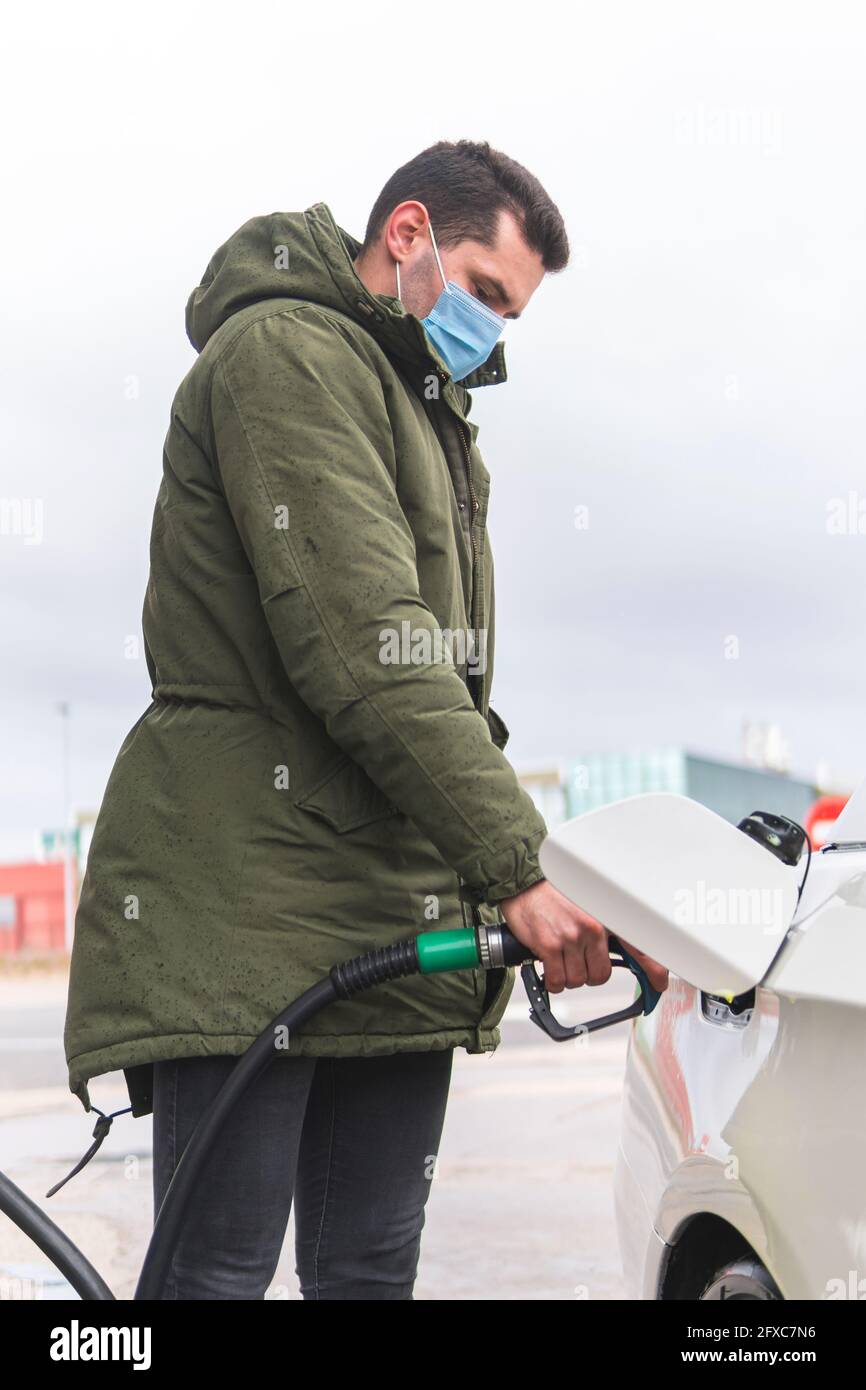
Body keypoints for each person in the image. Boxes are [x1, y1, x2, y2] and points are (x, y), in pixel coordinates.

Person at [64, 139, 668, 1300]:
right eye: (485, 293)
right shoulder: (286, 356)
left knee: (370, 1270)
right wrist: (515, 865)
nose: (492, 331)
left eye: (512, 314)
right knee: (217, 1277)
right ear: (406, 236)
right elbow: (365, 648)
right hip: (248, 911)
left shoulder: (413, 398)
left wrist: (546, 878)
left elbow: (440, 682)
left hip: (387, 911)